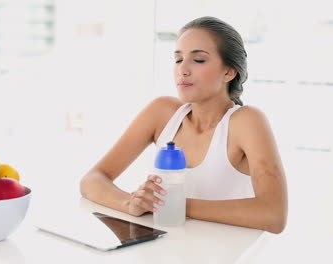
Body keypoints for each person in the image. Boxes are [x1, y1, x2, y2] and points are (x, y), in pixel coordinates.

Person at [79, 16, 288, 234]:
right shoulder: (161, 112)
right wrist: (131, 203)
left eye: (198, 60)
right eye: (178, 60)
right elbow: (92, 180)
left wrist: (177, 204)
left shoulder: (246, 121)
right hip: (167, 251)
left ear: (229, 72)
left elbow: (274, 215)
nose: (183, 70)